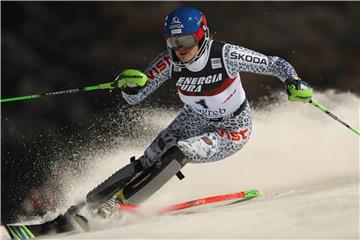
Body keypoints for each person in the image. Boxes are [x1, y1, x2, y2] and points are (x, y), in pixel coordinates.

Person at [86, 6, 313, 218]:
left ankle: (118, 206)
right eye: (173, 42)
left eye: (186, 40)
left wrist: (293, 81)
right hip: (193, 118)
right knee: (152, 156)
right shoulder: (168, 62)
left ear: (202, 35)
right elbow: (136, 97)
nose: (180, 49)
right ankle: (93, 202)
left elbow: (274, 64)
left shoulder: (226, 55)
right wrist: (128, 85)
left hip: (232, 127)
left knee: (179, 151)